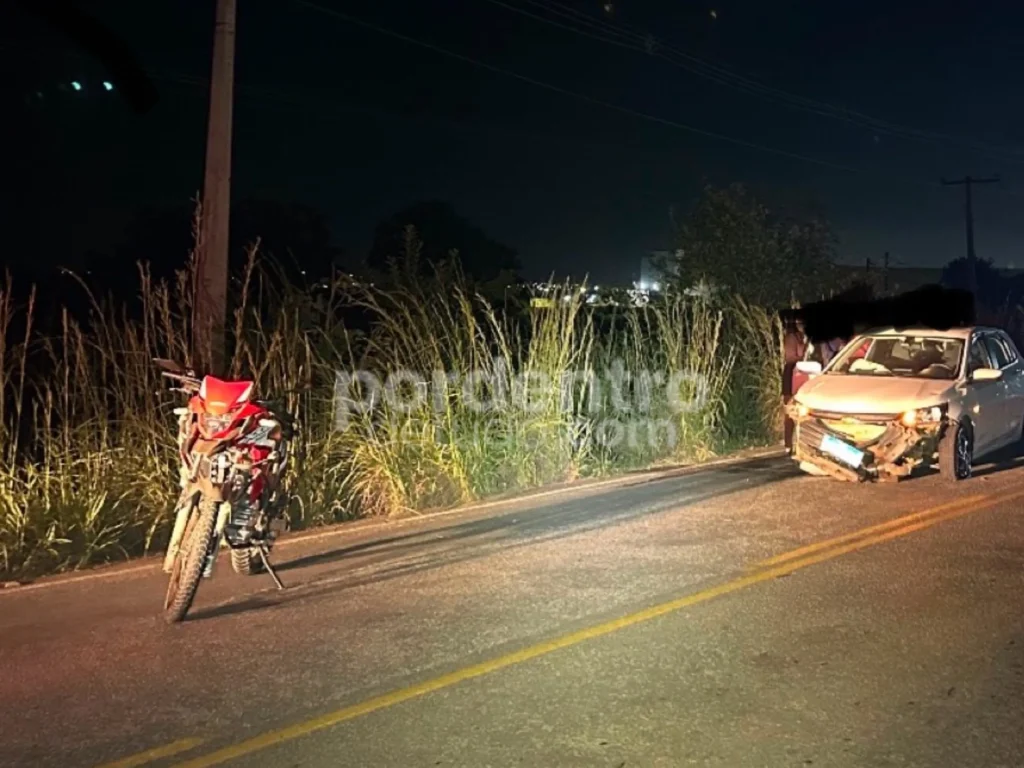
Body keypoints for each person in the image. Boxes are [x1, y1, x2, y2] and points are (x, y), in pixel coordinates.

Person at [782, 318, 808, 454]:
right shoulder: (792, 337)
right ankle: (788, 444)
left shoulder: (806, 337)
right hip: (793, 372)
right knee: (790, 408)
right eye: (798, 322)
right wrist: (804, 356)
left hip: (806, 371)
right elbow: (790, 357)